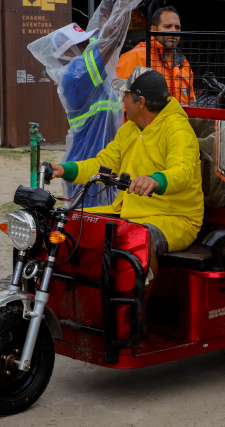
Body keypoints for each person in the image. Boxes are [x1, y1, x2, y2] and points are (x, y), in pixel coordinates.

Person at [48, 66, 204, 291]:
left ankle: (134, 317)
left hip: (175, 218)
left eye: (126, 95)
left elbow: (183, 171)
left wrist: (155, 180)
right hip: (129, 211)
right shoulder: (130, 129)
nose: (122, 100)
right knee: (68, 222)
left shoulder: (178, 130)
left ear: (140, 102)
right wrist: (64, 169)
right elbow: (102, 166)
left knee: (137, 240)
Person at [28, 0, 149, 207]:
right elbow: (110, 39)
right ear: (67, 54)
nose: (89, 46)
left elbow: (102, 33)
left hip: (100, 162)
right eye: (82, 44)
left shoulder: (81, 69)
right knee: (88, 227)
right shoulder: (76, 75)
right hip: (86, 167)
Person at [116, 6, 195, 104]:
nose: (174, 31)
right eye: (168, 26)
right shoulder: (137, 56)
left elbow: (191, 105)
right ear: (153, 29)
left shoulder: (184, 65)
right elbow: (119, 100)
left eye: (177, 27)